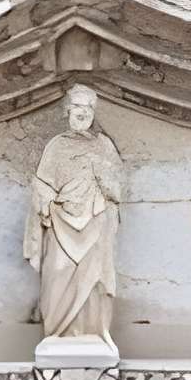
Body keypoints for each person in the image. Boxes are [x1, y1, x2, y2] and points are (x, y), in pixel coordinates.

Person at [24, 84, 122, 346]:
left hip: (95, 220)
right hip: (61, 222)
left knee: (94, 278)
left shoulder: (104, 145)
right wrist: (44, 199)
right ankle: (58, 333)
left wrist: (101, 170)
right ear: (67, 110)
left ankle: (93, 332)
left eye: (88, 107)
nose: (83, 112)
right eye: (77, 106)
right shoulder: (55, 146)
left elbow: (117, 189)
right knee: (58, 272)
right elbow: (42, 183)